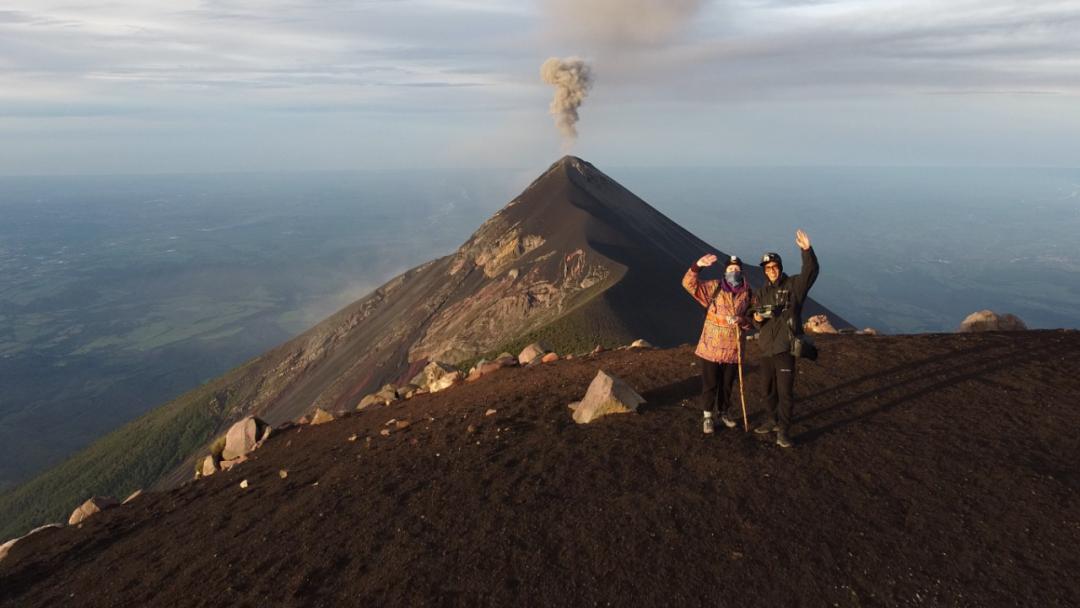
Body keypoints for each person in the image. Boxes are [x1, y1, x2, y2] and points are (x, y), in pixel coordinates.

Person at [751, 229, 819, 448]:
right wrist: (757, 317)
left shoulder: (793, 287)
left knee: (785, 392)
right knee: (768, 390)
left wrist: (806, 250)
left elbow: (810, 272)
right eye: (767, 268)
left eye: (774, 267)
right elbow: (755, 319)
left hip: (785, 349)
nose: (771, 271)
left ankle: (784, 430)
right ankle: (771, 420)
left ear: (780, 268)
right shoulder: (761, 293)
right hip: (766, 350)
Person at [682, 254, 753, 435]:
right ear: (725, 271)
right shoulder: (714, 288)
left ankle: (724, 412)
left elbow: (753, 320)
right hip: (710, 348)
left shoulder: (748, 293)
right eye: (730, 269)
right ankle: (707, 416)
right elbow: (688, 284)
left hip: (733, 348)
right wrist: (698, 266)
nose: (733, 273)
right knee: (710, 383)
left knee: (727, 384)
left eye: (736, 270)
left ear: (742, 272)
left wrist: (742, 320)